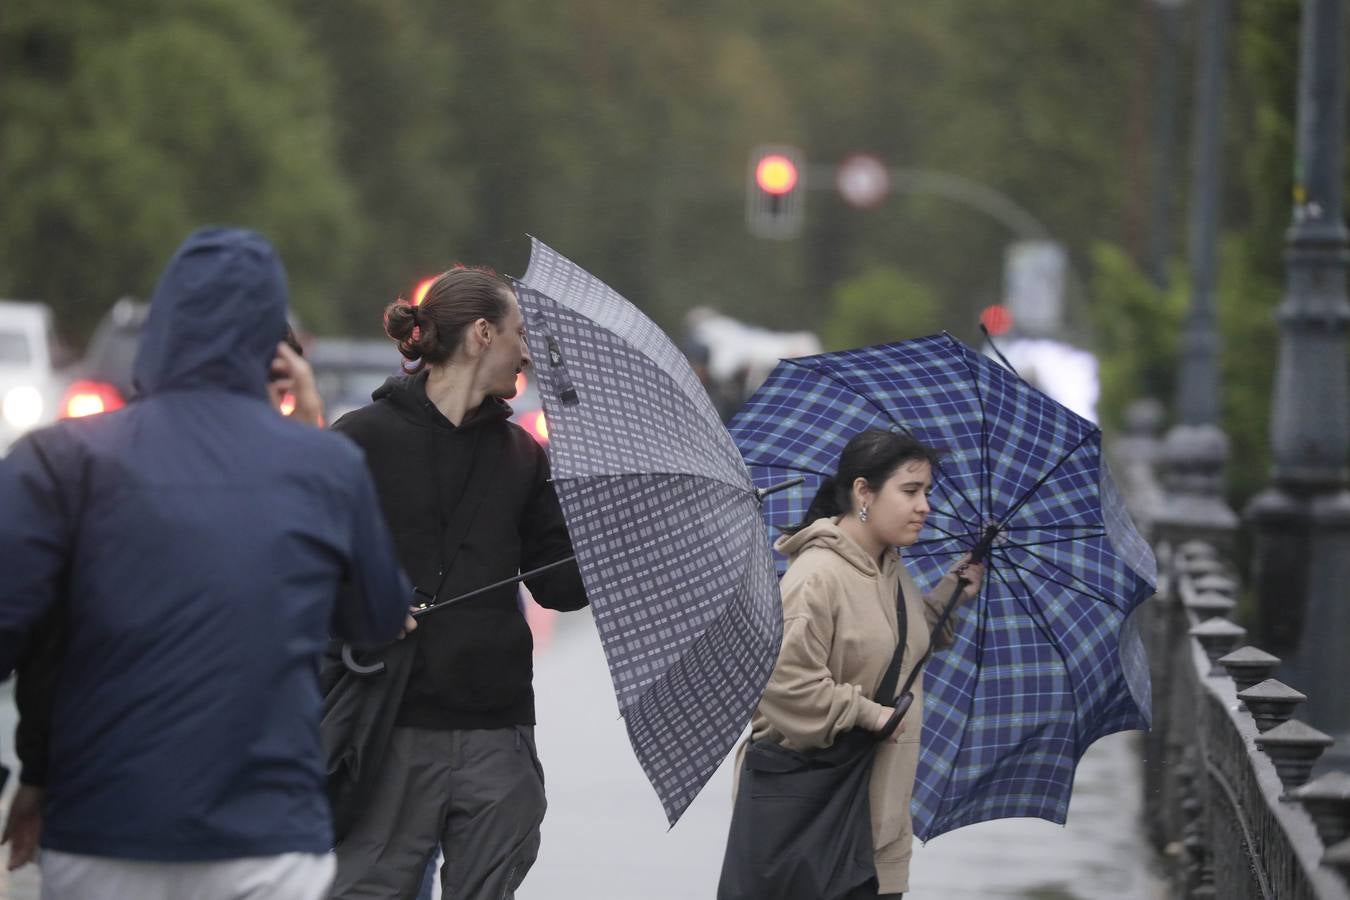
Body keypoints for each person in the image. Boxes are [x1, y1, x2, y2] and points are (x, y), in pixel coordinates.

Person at [0, 227, 413, 899]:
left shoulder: (59, 462)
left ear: (160, 330)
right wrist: (309, 425)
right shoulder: (325, 468)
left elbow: (29, 637)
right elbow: (377, 616)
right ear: (276, 352)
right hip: (267, 844)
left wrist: (36, 772)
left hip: (102, 834)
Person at [1, 319, 336, 874]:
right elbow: (358, 614)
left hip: (102, 812)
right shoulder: (296, 495)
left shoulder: (82, 476)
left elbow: (45, 652)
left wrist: (37, 773)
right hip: (242, 827)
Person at [328, 266, 589, 899]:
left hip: (498, 730)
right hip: (392, 729)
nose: (526, 352)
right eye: (519, 334)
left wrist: (614, 533)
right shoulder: (360, 442)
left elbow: (561, 587)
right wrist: (364, 606)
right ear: (480, 334)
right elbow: (300, 570)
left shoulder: (521, 455)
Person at [741, 428, 984, 899]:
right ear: (863, 492)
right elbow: (779, 681)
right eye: (910, 491)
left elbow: (893, 649)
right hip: (812, 826)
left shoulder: (891, 570)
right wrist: (869, 714)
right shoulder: (817, 576)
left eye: (927, 493)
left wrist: (948, 596)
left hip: (879, 826)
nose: (924, 506)